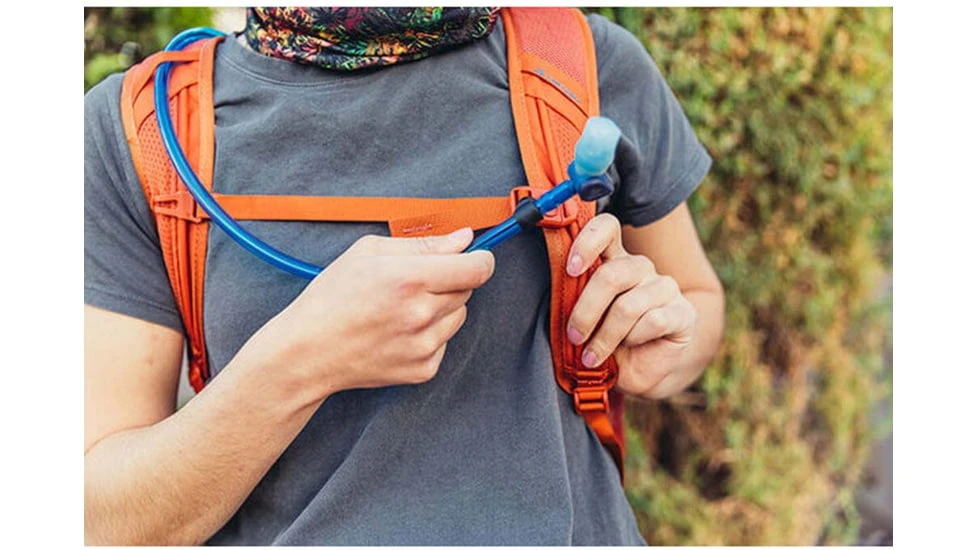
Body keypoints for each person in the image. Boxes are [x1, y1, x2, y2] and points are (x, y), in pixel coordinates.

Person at [84, 7, 724, 546]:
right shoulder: (139, 132)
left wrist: (664, 344)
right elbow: (106, 521)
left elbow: (696, 300)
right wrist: (300, 364)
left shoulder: (581, 64)